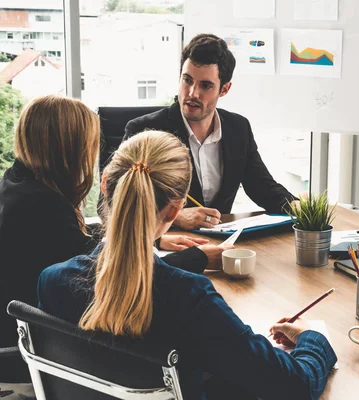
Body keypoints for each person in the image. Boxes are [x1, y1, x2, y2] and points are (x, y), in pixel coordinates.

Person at [38, 131, 337, 399]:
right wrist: (313, 338)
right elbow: (295, 386)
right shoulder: (188, 297)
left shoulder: (52, 281)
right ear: (176, 209)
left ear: (104, 185)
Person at [0, 96, 228, 382]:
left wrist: (155, 239)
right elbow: (115, 269)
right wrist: (200, 257)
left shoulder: (18, 184)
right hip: (30, 357)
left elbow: (79, 243)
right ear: (68, 148)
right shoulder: (45, 209)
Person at [124, 33, 297, 231]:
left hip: (220, 244)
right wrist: (176, 217)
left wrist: (300, 208)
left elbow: (263, 187)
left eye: (205, 85)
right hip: (163, 246)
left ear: (224, 89)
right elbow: (118, 201)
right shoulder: (144, 131)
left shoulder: (238, 128)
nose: (192, 93)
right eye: (187, 80)